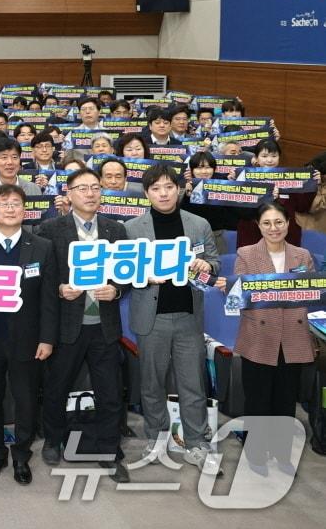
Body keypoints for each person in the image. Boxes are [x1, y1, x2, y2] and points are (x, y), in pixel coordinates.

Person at [124, 163, 220, 473]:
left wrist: (208, 268)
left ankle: (197, 443)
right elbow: (124, 273)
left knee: (193, 383)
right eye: (156, 188)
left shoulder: (199, 224)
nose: (163, 193)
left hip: (189, 316)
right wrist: (144, 277)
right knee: (152, 384)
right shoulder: (132, 228)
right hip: (151, 317)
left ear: (179, 189)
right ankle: (157, 437)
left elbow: (214, 262)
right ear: (147, 193)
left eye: (169, 187)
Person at [36, 167, 130, 481]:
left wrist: (116, 290)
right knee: (57, 386)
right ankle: (52, 439)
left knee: (110, 391)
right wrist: (58, 289)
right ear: (69, 193)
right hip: (67, 325)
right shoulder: (50, 229)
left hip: (103, 325)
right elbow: (40, 276)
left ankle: (109, 449)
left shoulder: (115, 229)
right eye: (83, 188)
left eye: (95, 187)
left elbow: (127, 276)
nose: (90, 193)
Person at [0, 183, 57, 486]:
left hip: (27, 340)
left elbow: (48, 299)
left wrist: (46, 338)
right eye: (3, 204)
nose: (10, 209)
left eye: (16, 204)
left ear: (25, 210)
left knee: (26, 401)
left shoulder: (41, 246)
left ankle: (20, 455)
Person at [232, 200, 316, 474]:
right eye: (267, 223)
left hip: (292, 335)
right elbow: (241, 295)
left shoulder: (302, 256)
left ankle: (282, 456)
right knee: (258, 399)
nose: (273, 228)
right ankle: (255, 455)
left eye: (279, 222)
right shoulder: (246, 254)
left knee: (284, 400)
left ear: (288, 224)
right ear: (258, 226)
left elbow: (311, 294)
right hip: (260, 334)